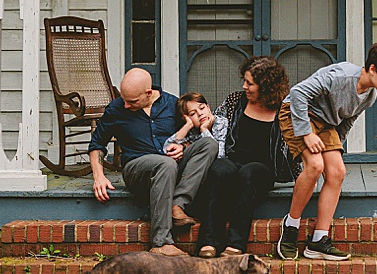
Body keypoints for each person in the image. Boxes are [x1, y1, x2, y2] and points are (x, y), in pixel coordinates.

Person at [276, 42, 377, 261]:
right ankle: (291, 226)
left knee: (337, 172)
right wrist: (307, 134)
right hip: (297, 112)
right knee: (315, 166)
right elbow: (298, 93)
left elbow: (345, 122)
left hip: (326, 123)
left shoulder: (370, 95)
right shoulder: (341, 77)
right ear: (373, 69)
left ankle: (318, 240)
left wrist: (334, 152)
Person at [88, 68, 217, 256]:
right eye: (124, 99)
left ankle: (177, 204)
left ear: (148, 93)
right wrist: (98, 177)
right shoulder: (116, 109)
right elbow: (97, 144)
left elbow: (192, 135)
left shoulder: (172, 104)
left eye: (132, 101)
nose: (125, 105)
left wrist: (184, 147)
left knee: (208, 144)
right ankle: (161, 243)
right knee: (165, 163)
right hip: (138, 169)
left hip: (174, 169)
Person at [196, 57, 295, 258]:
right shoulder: (235, 101)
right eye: (245, 81)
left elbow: (295, 144)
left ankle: (235, 244)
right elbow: (218, 127)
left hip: (264, 168)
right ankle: (209, 241)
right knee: (220, 169)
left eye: (250, 83)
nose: (244, 86)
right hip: (232, 160)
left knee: (248, 173)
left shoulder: (284, 110)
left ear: (266, 86)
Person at [164, 92, 227, 158]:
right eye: (193, 113)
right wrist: (187, 125)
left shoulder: (221, 123)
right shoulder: (193, 130)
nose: (200, 114)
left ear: (208, 107)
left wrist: (204, 130)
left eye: (202, 108)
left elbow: (220, 155)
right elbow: (167, 148)